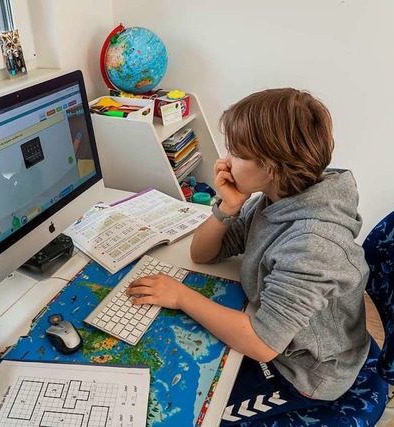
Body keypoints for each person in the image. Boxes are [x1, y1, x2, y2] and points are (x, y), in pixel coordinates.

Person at [126, 88, 371, 424]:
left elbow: (262, 343)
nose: (225, 162)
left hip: (303, 372)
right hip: (274, 332)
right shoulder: (277, 196)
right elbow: (203, 254)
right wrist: (228, 207)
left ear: (270, 167)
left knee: (176, 411)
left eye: (237, 154)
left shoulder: (313, 245)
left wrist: (182, 296)